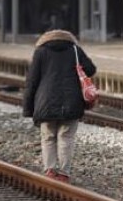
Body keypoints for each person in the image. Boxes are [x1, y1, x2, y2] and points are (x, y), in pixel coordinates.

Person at [22, 29, 96, 184]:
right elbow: (91, 69)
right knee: (66, 137)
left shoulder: (40, 51)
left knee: (48, 137)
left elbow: (31, 81)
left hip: (45, 102)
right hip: (72, 101)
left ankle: (50, 169)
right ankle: (64, 173)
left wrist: (28, 108)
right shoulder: (75, 50)